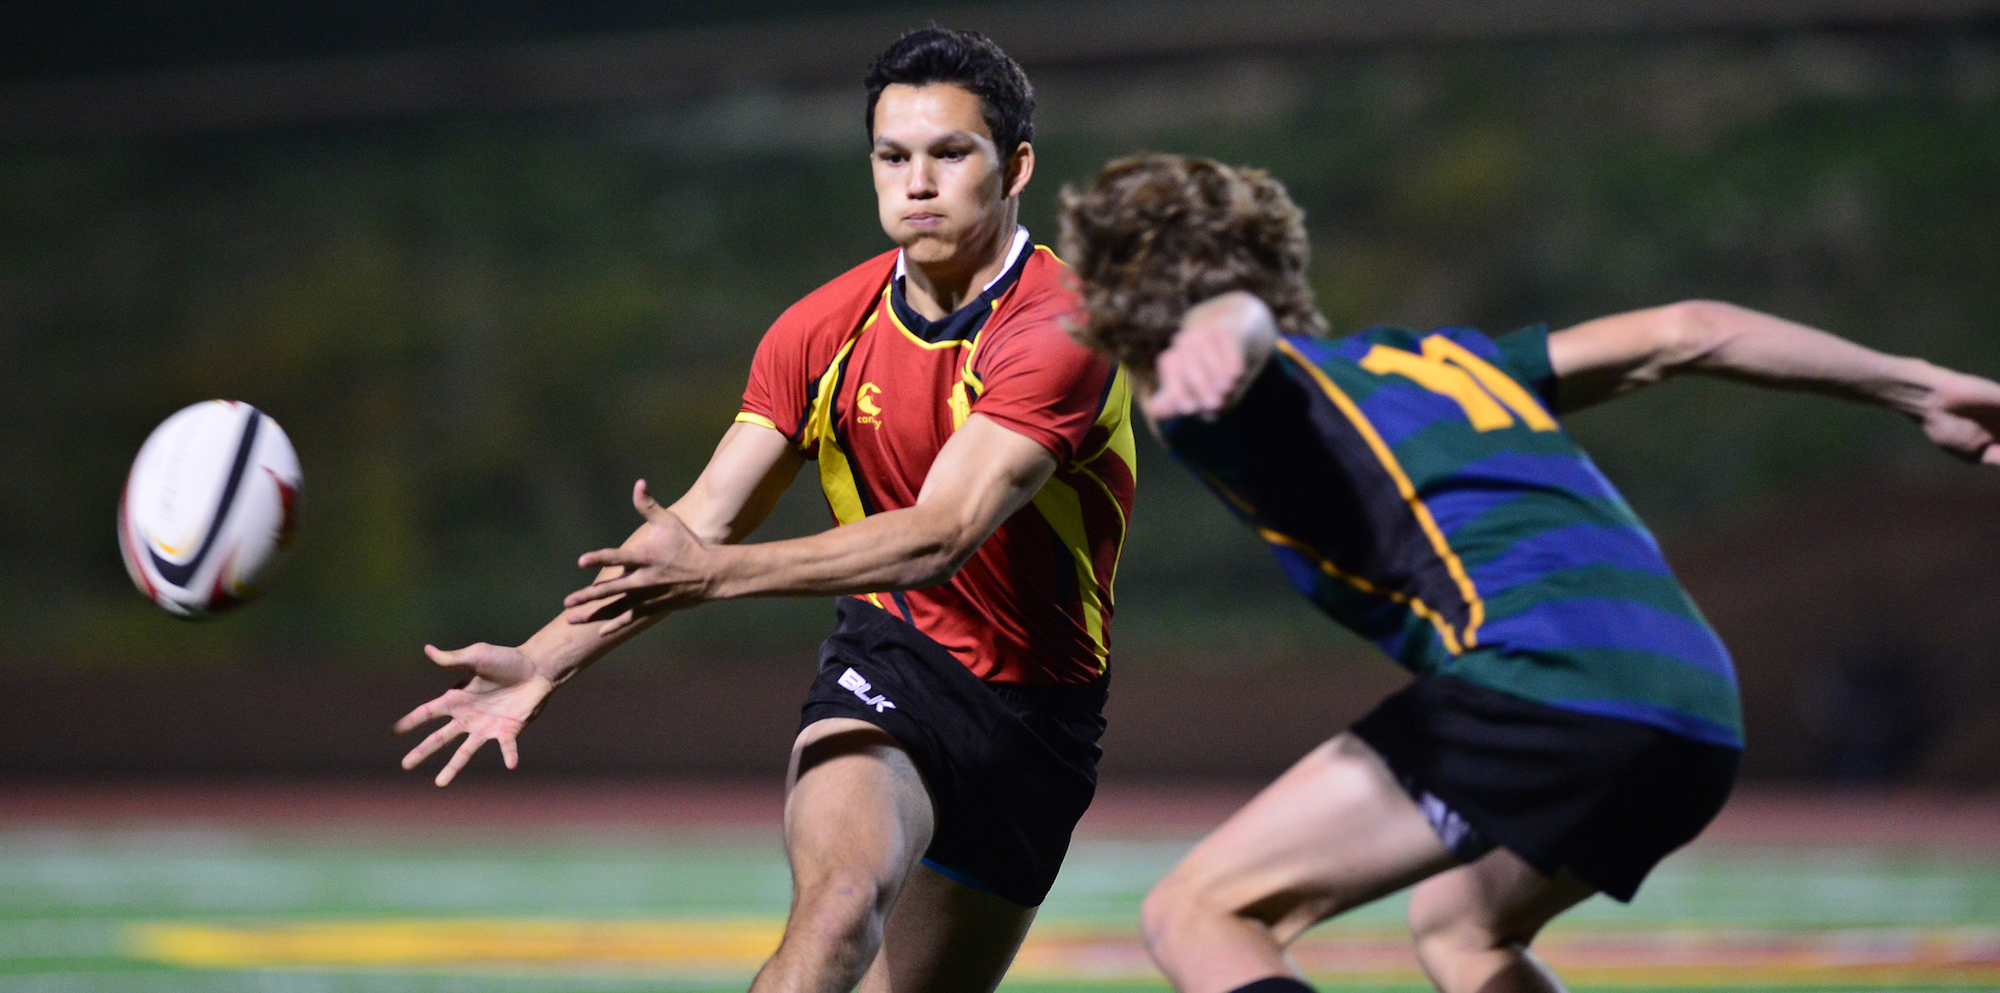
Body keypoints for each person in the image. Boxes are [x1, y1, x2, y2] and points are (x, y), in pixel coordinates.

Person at [1057, 154, 2000, 993]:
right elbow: (1690, 329)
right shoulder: (1440, 362)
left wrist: (1223, 328)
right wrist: (1918, 386)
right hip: (1697, 704)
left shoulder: (1217, 401)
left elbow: (1238, 323)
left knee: (1198, 913)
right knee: (1464, 929)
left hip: (1542, 684)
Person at [394, 29, 1135, 993]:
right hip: (893, 665)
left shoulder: (1063, 327)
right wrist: (543, 659)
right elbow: (699, 523)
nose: (917, 182)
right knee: (833, 916)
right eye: (892, 156)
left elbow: (940, 532)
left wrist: (718, 577)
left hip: (1041, 717)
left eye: (950, 153)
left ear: (1016, 167)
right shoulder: (819, 330)